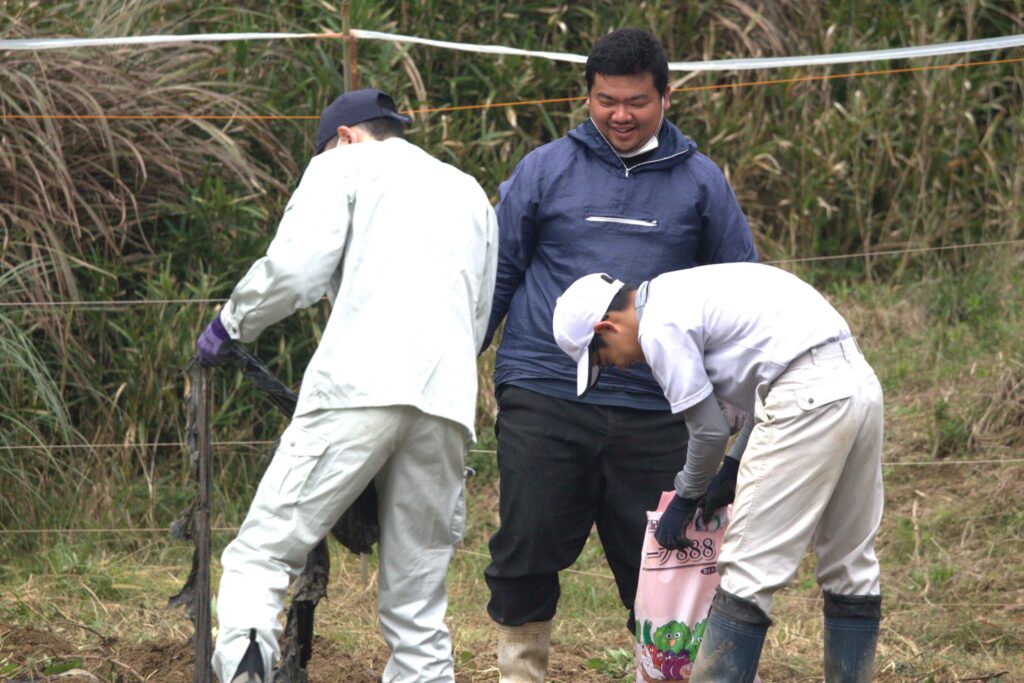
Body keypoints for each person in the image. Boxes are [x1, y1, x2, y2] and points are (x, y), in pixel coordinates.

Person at [479, 27, 758, 680]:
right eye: (606, 100)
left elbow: (741, 290)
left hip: (663, 410)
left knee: (670, 565)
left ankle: (663, 669)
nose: (620, 115)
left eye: (636, 100)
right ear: (587, 96)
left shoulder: (700, 184)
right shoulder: (544, 170)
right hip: (546, 393)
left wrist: (737, 414)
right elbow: (495, 273)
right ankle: (520, 669)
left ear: (665, 95)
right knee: (525, 549)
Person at [195, 88, 498, 683]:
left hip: (358, 388)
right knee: (416, 603)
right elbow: (480, 313)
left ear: (343, 136)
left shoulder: (342, 164)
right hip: (446, 401)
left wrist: (231, 322)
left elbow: (296, 270)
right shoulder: (468, 192)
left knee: (261, 556)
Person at [551, 263, 884, 683]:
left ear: (607, 326)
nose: (617, 367)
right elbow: (776, 377)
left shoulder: (657, 326)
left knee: (746, 570)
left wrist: (686, 496)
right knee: (850, 563)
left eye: (601, 357)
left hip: (807, 398)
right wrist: (731, 466)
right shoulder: (689, 290)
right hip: (858, 385)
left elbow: (708, 430)